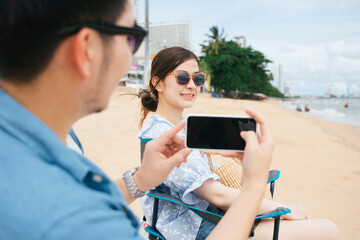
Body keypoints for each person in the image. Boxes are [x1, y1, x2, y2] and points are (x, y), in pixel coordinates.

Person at [0, 1, 280, 239]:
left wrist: (141, 180)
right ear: (87, 48)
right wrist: (254, 186)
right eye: (131, 38)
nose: (130, 58)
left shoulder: (49, 139)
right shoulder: (83, 223)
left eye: (198, 79)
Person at [137, 46, 342, 240]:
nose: (191, 85)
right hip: (197, 226)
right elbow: (217, 195)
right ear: (158, 83)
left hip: (208, 215)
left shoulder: (180, 127)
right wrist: (284, 209)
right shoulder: (163, 134)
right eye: (182, 78)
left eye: (198, 78)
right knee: (327, 230)